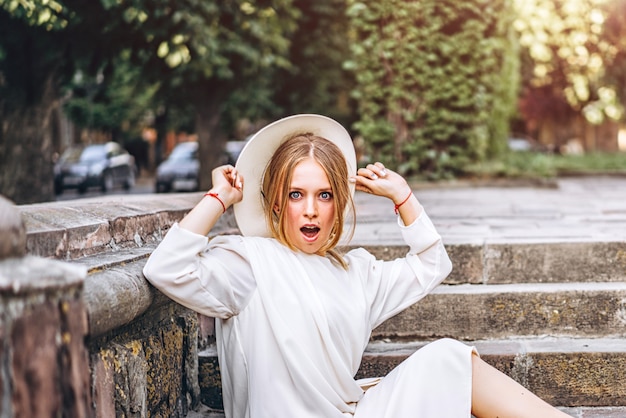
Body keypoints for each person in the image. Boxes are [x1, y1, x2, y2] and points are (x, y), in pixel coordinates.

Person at [143, 114, 569, 418]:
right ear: (276, 201)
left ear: (339, 204)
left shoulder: (357, 272)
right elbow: (166, 269)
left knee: (449, 358)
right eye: (296, 195)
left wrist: (402, 196)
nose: (310, 210)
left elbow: (431, 263)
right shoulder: (248, 263)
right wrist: (218, 200)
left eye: (324, 195)